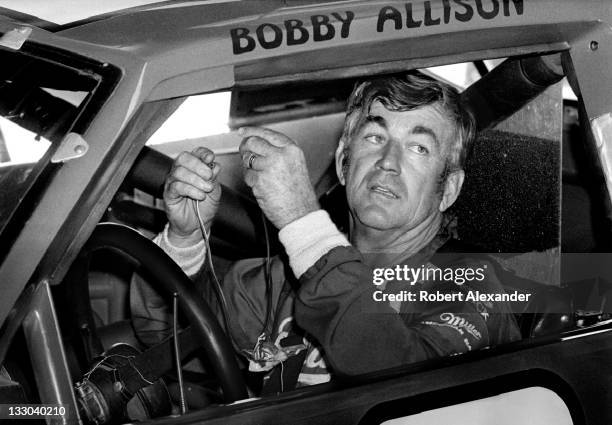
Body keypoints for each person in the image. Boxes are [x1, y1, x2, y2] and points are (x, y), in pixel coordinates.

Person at [131, 72, 521, 391]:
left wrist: (302, 221)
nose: (388, 162)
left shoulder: (471, 281)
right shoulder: (280, 281)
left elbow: (408, 385)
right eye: (374, 137)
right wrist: (185, 240)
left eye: (418, 148)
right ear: (342, 164)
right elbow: (165, 336)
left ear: (448, 189)